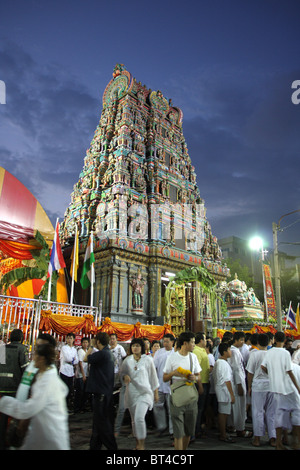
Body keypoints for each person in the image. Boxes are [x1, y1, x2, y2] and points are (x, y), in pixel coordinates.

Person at [0, 342, 70, 450]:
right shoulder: (43, 375)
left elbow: (27, 409)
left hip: (51, 437)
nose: (33, 358)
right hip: (42, 433)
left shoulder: (48, 382)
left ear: (42, 358)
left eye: (35, 355)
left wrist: (3, 402)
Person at [163, 331, 202, 450]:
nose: (194, 345)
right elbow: (164, 378)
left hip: (190, 396)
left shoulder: (193, 357)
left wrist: (194, 378)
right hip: (176, 398)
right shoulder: (172, 357)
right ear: (185, 343)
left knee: (189, 430)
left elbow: (198, 376)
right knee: (178, 431)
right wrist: (174, 373)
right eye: (193, 342)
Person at [261, 331, 300, 450]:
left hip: (275, 388)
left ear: (275, 340)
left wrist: (272, 376)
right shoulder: (285, 353)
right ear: (284, 340)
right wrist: (298, 388)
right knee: (296, 413)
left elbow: (263, 367)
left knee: (279, 416)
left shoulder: (269, 352)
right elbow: (289, 371)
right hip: (287, 388)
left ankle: (279, 443)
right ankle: (296, 442)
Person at [120, 338, 159, 450]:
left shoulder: (148, 360)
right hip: (131, 393)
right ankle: (137, 443)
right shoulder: (127, 360)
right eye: (133, 346)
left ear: (142, 347)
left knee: (139, 418)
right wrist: (124, 377)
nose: (135, 348)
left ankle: (142, 445)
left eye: (137, 346)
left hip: (145, 393)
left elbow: (153, 377)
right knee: (134, 421)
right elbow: (122, 374)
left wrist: (155, 393)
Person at [84, 332, 117, 450]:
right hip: (104, 392)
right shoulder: (107, 354)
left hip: (101, 394)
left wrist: (91, 347)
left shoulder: (102, 354)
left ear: (98, 341)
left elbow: (85, 358)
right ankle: (94, 446)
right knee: (98, 424)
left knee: (102, 424)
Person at [0, 328, 29, 449]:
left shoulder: (2, 348)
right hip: (14, 387)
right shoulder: (22, 349)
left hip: (1, 387)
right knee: (13, 417)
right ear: (21, 338)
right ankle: (10, 442)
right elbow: (25, 369)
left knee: (2, 418)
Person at [246, 333, 276, 447]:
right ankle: (273, 438)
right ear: (269, 342)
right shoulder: (272, 354)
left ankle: (257, 439)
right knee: (271, 412)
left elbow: (250, 373)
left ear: (258, 342)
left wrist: (249, 386)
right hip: (271, 385)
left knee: (258, 412)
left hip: (258, 386)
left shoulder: (254, 355)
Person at [228, 331, 251, 438]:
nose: (242, 342)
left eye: (243, 340)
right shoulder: (234, 352)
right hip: (238, 382)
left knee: (238, 406)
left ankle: (234, 426)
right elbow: (236, 369)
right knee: (239, 407)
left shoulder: (235, 351)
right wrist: (239, 385)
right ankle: (240, 429)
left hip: (239, 380)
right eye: (240, 340)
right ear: (235, 340)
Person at [212, 342, 235, 443]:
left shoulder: (219, 362)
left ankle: (224, 432)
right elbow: (227, 380)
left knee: (224, 412)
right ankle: (223, 434)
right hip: (224, 391)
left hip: (221, 390)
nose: (230, 352)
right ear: (224, 352)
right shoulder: (223, 363)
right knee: (223, 413)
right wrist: (232, 394)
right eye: (229, 350)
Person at [153, 334, 175, 436]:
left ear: (172, 342)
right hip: (160, 384)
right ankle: (162, 426)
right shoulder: (159, 352)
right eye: (164, 341)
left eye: (167, 341)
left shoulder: (176, 352)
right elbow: (154, 367)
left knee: (171, 409)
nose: (165, 343)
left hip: (171, 385)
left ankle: (172, 430)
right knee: (158, 406)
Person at [109, 333, 127, 437]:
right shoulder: (108, 348)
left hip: (119, 372)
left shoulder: (120, 348)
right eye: (110, 339)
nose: (112, 340)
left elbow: (124, 359)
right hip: (110, 373)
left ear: (116, 339)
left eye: (113, 339)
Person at [193, 332, 210, 438]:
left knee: (202, 408)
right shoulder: (196, 351)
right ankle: (196, 430)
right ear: (200, 341)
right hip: (200, 383)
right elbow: (196, 370)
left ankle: (199, 427)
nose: (206, 341)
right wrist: (199, 385)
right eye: (205, 339)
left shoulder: (202, 350)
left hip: (205, 381)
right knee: (198, 408)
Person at [59, 332, 79, 411]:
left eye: (71, 338)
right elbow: (67, 358)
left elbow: (77, 360)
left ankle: (66, 406)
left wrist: (72, 360)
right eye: (68, 338)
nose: (69, 340)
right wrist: (73, 359)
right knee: (63, 390)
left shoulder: (74, 349)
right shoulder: (64, 348)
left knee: (69, 390)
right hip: (64, 371)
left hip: (71, 372)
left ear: (73, 340)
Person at [74, 337, 90, 413]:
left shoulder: (87, 351)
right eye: (84, 342)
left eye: (86, 342)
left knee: (85, 392)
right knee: (80, 392)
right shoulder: (80, 351)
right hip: (80, 375)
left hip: (86, 374)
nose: (85, 344)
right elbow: (80, 363)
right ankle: (77, 408)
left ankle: (82, 407)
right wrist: (83, 375)